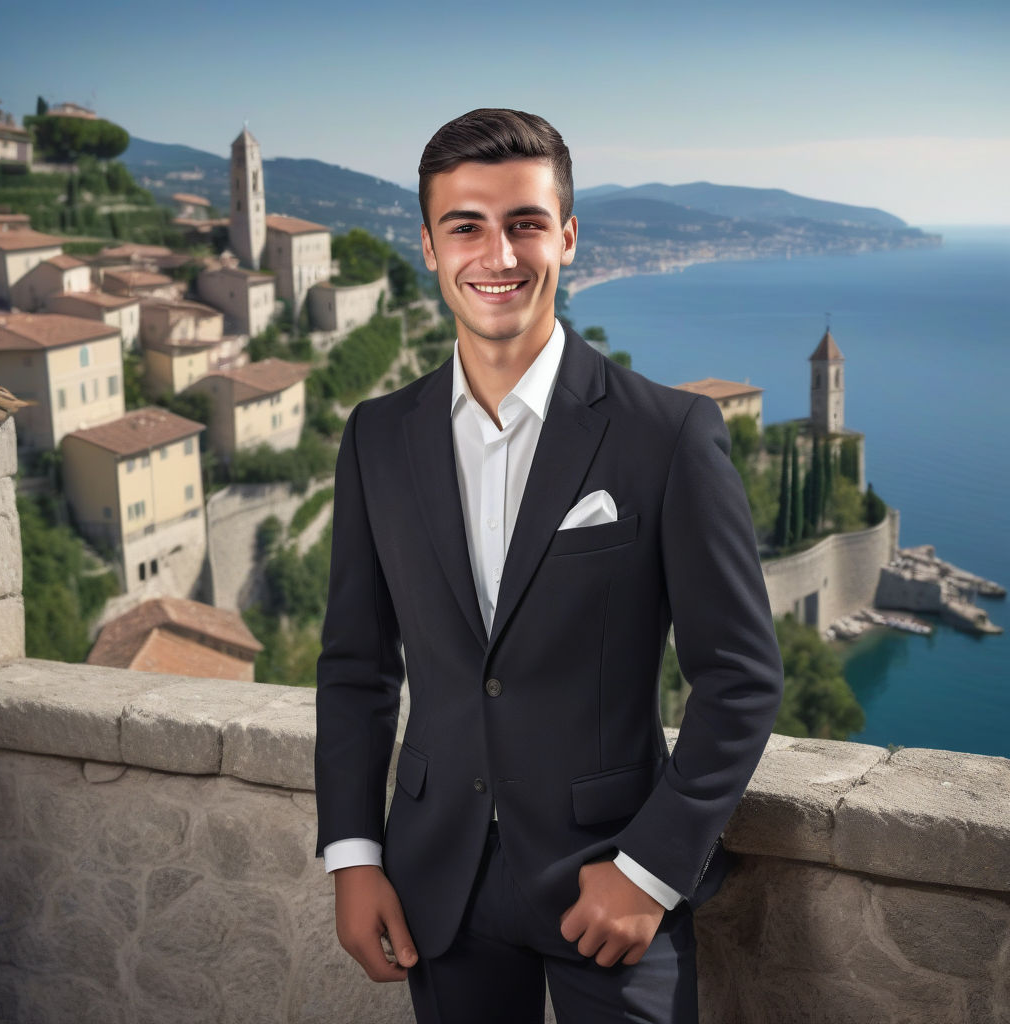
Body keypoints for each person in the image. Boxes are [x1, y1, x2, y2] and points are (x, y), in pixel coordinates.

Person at [314, 108, 784, 1024]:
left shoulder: (668, 435)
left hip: (608, 885)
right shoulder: (375, 437)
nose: (498, 252)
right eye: (466, 225)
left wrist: (649, 872)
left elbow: (741, 678)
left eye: (525, 222)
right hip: (434, 886)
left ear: (566, 237)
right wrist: (354, 855)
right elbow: (355, 670)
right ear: (428, 246)